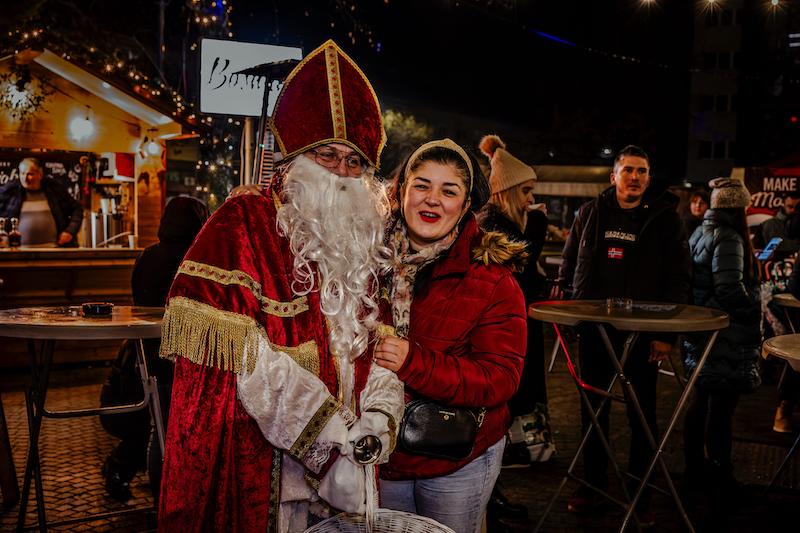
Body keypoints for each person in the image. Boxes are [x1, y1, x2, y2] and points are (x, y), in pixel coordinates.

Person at [157, 40, 405, 532]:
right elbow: (245, 360)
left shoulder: (364, 244)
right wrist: (332, 440)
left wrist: (377, 422)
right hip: (267, 472)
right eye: (328, 155)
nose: (341, 173)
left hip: (349, 472)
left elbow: (381, 351)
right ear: (296, 159)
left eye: (354, 162)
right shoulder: (245, 221)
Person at [374, 139, 527, 533]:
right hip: (379, 457)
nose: (432, 199)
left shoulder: (493, 281)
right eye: (422, 185)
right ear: (401, 192)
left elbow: (500, 379)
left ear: (465, 204)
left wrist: (413, 362)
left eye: (449, 190)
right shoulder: (361, 263)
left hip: (455, 460)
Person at [555, 145, 691, 525]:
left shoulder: (665, 218)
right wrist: (569, 313)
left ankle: (640, 492)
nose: (635, 177)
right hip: (595, 330)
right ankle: (592, 486)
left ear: (649, 177)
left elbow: (679, 278)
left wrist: (666, 335)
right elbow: (570, 263)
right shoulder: (590, 213)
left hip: (643, 333)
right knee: (592, 411)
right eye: (628, 170)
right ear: (613, 175)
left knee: (641, 415)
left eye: (642, 171)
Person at [99, 196, 208, 502]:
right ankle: (166, 494)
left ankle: (131, 475)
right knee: (167, 429)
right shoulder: (196, 259)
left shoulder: (147, 256)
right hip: (181, 356)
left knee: (154, 424)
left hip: (145, 353)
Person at [476, 135, 551, 527]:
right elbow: (524, 269)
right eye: (525, 191)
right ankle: (488, 502)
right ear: (505, 192)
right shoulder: (497, 228)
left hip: (511, 330)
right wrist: (538, 222)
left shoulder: (505, 223)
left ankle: (493, 496)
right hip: (498, 336)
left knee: (500, 422)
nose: (530, 199)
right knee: (495, 421)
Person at [683, 178, 761, 497]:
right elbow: (728, 288)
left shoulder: (701, 231)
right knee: (721, 408)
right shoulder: (728, 237)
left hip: (703, 329)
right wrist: (752, 307)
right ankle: (720, 477)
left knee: (702, 400)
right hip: (725, 333)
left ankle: (695, 470)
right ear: (737, 208)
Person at [0, 157, 83, 246]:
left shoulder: (54, 189)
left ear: (40, 174)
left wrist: (70, 231)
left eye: (30, 174)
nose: (25, 178)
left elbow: (77, 209)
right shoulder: (10, 191)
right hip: (18, 250)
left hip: (54, 249)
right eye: (22, 173)